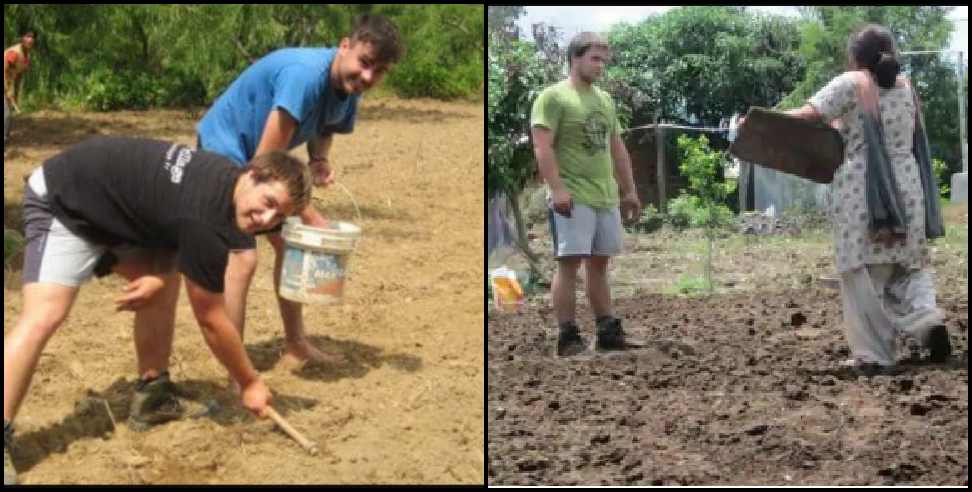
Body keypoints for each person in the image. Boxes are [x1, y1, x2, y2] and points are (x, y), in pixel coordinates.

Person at [3, 136, 313, 485]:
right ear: (254, 174)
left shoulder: (227, 185)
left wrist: (161, 274)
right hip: (64, 200)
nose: (266, 218)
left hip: (112, 209)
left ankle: (152, 396)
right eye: (269, 202)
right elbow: (211, 319)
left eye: (279, 216)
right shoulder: (208, 214)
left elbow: (171, 223)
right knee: (44, 315)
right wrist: (250, 382)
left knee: (164, 286)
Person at [195, 14, 404, 371]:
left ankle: (296, 345)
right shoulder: (304, 75)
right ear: (344, 46)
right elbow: (265, 163)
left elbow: (326, 125)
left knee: (290, 246)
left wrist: (319, 158)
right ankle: (235, 370)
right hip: (224, 153)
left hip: (256, 159)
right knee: (242, 258)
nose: (368, 76)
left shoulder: (350, 87)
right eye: (365, 62)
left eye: (379, 70)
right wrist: (310, 216)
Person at [778, 24, 951, 374]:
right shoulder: (907, 88)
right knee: (908, 266)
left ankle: (873, 355)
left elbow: (809, 115)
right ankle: (928, 321)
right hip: (908, 185)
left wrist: (760, 119)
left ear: (855, 56)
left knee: (864, 275)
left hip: (866, 192)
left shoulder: (852, 82)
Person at [530, 31, 642, 357]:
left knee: (599, 265)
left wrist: (630, 190)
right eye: (595, 58)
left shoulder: (604, 100)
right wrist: (557, 189)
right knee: (568, 264)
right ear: (575, 58)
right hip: (572, 196)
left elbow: (617, 147)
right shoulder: (552, 98)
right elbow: (542, 146)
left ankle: (607, 332)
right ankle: (567, 337)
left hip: (604, 196)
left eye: (604, 61)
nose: (600, 66)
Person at [4, 31, 34, 141]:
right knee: (6, 113)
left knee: (8, 111)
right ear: (23, 42)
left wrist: (15, 95)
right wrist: (6, 88)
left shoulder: (26, 57)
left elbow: (18, 77)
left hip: (8, 82)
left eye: (32, 44)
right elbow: (5, 68)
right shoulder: (14, 53)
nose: (30, 46)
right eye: (28, 43)